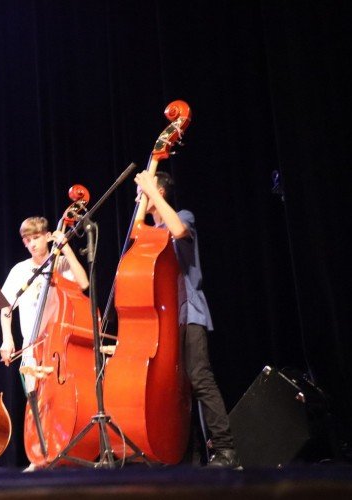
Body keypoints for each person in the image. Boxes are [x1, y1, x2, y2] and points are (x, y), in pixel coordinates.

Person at [134, 169, 239, 468]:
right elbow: (136, 235)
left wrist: (150, 190)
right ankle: (186, 456)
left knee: (200, 379)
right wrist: (144, 198)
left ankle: (226, 450)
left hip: (188, 312)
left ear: (161, 192)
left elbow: (178, 232)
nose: (139, 194)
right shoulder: (150, 235)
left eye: (148, 190)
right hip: (164, 323)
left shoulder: (183, 216)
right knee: (174, 391)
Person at [0, 216, 89, 370]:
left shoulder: (62, 263)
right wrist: (7, 339)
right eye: (27, 240)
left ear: (48, 237)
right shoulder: (19, 270)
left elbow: (84, 283)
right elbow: (5, 307)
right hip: (30, 349)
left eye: (36, 238)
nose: (32, 244)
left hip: (61, 346)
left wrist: (65, 249)